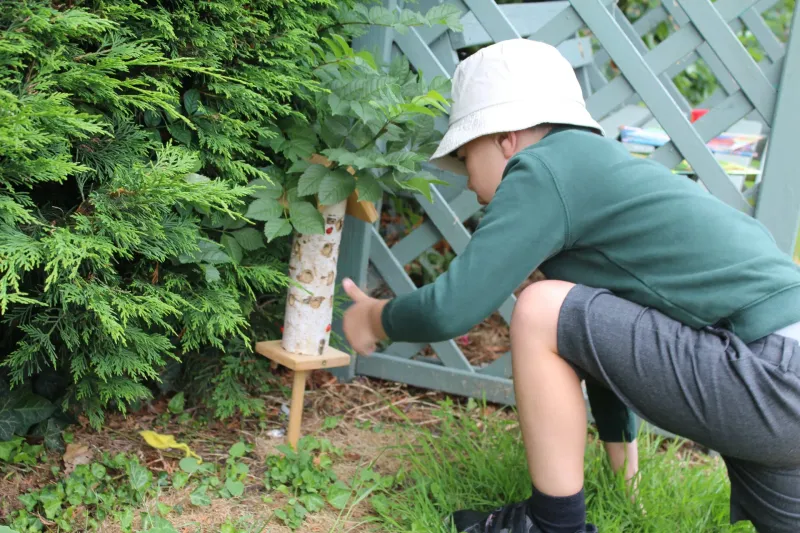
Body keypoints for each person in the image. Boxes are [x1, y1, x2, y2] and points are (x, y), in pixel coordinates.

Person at [340, 38, 800, 533]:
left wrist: (374, 317)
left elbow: (451, 309)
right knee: (565, 311)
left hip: (768, 374)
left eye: (466, 155)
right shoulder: (594, 172)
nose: (470, 182)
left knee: (540, 307)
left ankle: (551, 525)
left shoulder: (543, 169)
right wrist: (626, 480)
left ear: (506, 139)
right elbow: (606, 350)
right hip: (781, 387)